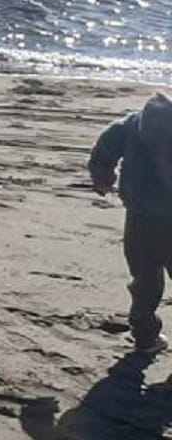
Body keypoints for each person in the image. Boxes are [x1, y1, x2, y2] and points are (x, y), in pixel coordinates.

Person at [90, 92, 172, 352]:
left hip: (139, 220)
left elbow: (106, 143)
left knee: (144, 281)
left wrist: (102, 174)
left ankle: (144, 335)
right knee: (145, 281)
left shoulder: (134, 123)